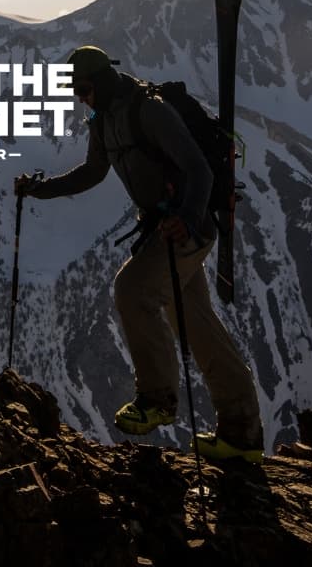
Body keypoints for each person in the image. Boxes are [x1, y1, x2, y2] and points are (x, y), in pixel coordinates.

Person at [15, 45, 265, 464]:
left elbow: (198, 170)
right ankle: (242, 433)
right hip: (166, 225)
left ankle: (157, 398)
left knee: (133, 289)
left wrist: (185, 216)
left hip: (188, 226)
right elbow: (93, 173)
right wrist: (41, 188)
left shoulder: (150, 111)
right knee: (196, 324)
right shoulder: (103, 119)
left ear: (100, 81)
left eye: (82, 88)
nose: (79, 97)